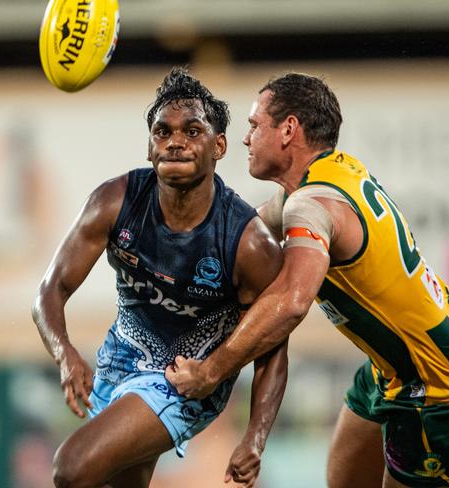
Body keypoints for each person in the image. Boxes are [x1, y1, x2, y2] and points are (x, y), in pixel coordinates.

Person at [166, 72, 449, 487]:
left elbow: (291, 303)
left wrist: (211, 371)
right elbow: (240, 234)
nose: (246, 138)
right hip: (399, 368)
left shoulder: (312, 206)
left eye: (255, 126)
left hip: (444, 381)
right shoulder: (328, 175)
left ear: (289, 129)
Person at [31, 67, 288, 488]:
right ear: (150, 148)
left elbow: (273, 349)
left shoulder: (247, 241)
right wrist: (65, 353)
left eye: (192, 131)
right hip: (118, 362)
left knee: (72, 468)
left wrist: (255, 438)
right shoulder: (115, 201)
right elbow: (50, 290)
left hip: (185, 378)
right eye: (162, 132)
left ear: (219, 145)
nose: (175, 142)